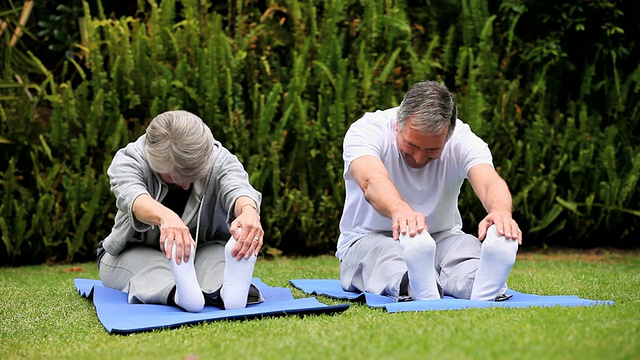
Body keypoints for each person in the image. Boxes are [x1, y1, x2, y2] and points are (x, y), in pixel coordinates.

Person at [336, 80, 522, 301]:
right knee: (386, 256)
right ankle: (417, 283)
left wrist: (500, 213)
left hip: (440, 238)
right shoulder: (366, 130)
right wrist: (401, 212)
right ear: (398, 124)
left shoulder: (463, 139)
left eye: (433, 149)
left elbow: (490, 182)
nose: (419, 157)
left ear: (448, 136)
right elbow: (370, 179)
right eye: (412, 146)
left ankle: (480, 286)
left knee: (465, 249)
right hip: (368, 238)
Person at [97, 110, 264, 312]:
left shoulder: (217, 157)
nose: (185, 186)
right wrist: (166, 218)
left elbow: (237, 186)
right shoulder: (129, 160)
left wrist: (248, 212)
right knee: (154, 271)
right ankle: (181, 293)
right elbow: (133, 196)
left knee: (217, 262)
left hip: (203, 248)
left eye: (193, 175)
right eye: (173, 177)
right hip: (132, 251)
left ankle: (225, 290)